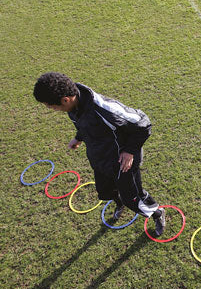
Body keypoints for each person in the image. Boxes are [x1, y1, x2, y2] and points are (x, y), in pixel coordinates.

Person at [33, 72, 166, 235]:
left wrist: (130, 151)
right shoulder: (73, 106)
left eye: (51, 106)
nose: (52, 110)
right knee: (105, 191)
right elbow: (83, 125)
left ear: (65, 100)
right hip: (100, 159)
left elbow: (143, 124)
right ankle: (120, 202)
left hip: (123, 163)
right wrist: (78, 137)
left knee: (134, 199)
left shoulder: (104, 109)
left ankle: (158, 213)